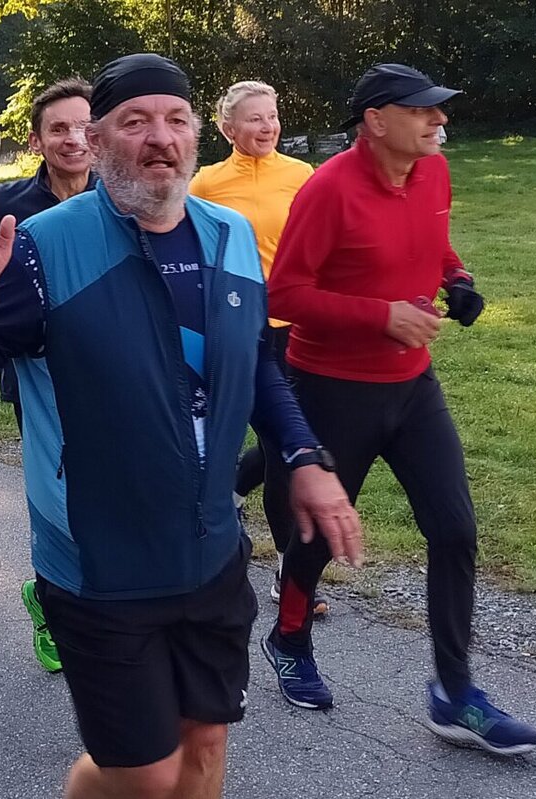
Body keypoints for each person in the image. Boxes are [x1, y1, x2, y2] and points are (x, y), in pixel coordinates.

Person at [0, 54, 362, 799]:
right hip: (99, 559)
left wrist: (305, 456)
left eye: (174, 119)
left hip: (209, 547)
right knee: (145, 772)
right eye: (134, 121)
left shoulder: (228, 235)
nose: (159, 137)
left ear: (195, 135)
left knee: (206, 744)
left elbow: (252, 363)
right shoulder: (43, 246)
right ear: (96, 143)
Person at [261, 63, 536, 756]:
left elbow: (433, 242)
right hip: (332, 385)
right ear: (375, 120)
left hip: (414, 386)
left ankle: (454, 692)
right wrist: (379, 316)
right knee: (318, 538)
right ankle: (289, 635)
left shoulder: (435, 174)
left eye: (440, 111)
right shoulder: (328, 190)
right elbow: (285, 294)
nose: (439, 121)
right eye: (424, 112)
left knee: (455, 529)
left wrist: (458, 278)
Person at [189, 81, 330, 615]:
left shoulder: (301, 176)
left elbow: (324, 243)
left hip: (299, 325)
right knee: (280, 452)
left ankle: (230, 488)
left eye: (272, 116)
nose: (267, 126)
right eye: (254, 119)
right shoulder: (206, 184)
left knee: (283, 441)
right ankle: (290, 574)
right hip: (239, 328)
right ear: (228, 129)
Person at [0, 77, 97, 675]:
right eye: (59, 128)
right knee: (53, 494)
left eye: (85, 126)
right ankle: (48, 597)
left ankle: (105, 600)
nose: (74, 139)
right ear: (37, 139)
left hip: (111, 375)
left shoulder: (121, 199)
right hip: (38, 379)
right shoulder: (7, 206)